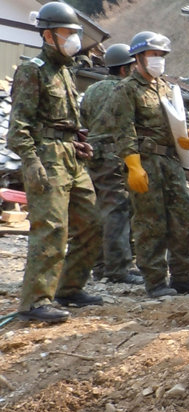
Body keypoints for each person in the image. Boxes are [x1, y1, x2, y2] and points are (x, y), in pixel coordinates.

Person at [7, 1, 103, 323]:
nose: (74, 40)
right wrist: (31, 161)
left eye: (75, 33)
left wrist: (77, 142)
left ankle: (69, 288)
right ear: (48, 36)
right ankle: (34, 303)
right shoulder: (32, 70)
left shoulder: (65, 71)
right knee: (50, 229)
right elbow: (18, 127)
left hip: (70, 156)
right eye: (67, 33)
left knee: (90, 222)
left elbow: (63, 120)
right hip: (46, 158)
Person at [109, 31, 189, 298]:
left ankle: (182, 277)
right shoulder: (126, 89)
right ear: (138, 58)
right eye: (153, 55)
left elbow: (182, 119)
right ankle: (155, 281)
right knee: (150, 223)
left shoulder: (166, 87)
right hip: (145, 162)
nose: (158, 60)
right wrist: (132, 164)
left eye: (161, 55)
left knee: (185, 220)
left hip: (170, 161)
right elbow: (123, 130)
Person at [81, 42, 143, 286]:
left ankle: (100, 266)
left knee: (101, 210)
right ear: (126, 70)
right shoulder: (126, 90)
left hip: (93, 153)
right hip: (115, 152)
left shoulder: (92, 89)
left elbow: (83, 120)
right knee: (119, 209)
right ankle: (118, 269)